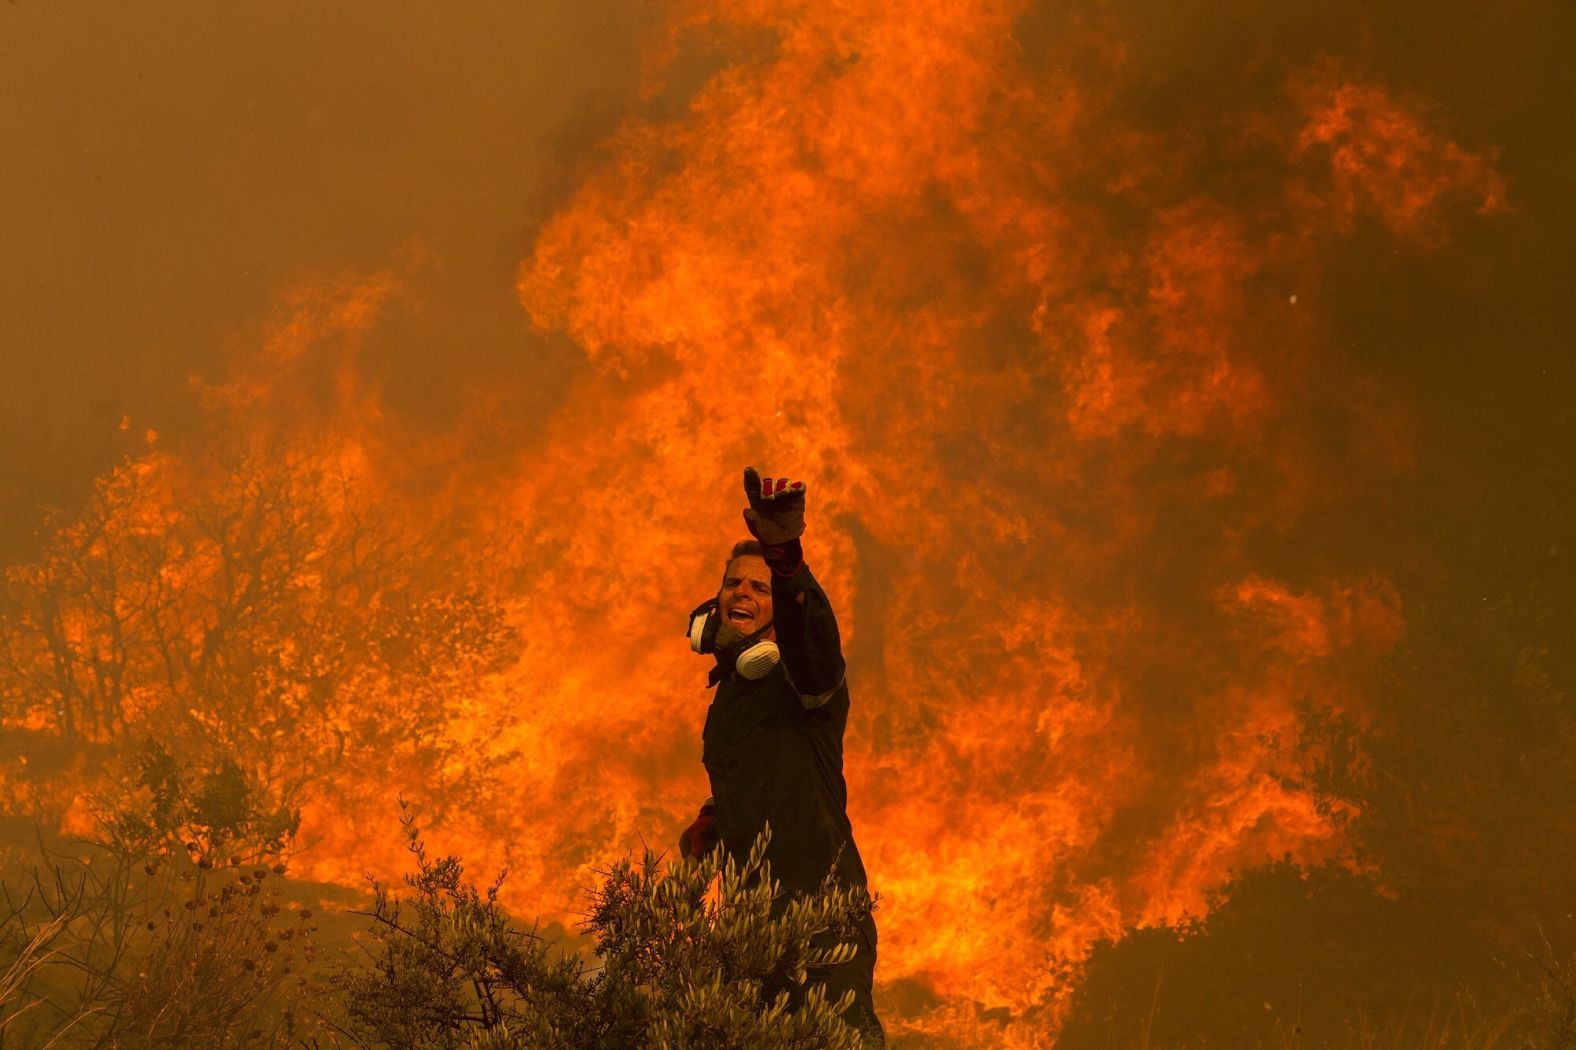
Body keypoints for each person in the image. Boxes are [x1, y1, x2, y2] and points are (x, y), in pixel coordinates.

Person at [678, 467, 883, 1044]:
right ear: (712, 606)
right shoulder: (731, 695)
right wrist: (717, 817)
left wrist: (786, 560)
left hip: (823, 924)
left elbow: (810, 639)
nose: (742, 593)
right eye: (733, 584)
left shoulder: (804, 679)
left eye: (759, 587)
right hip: (751, 928)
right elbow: (757, 771)